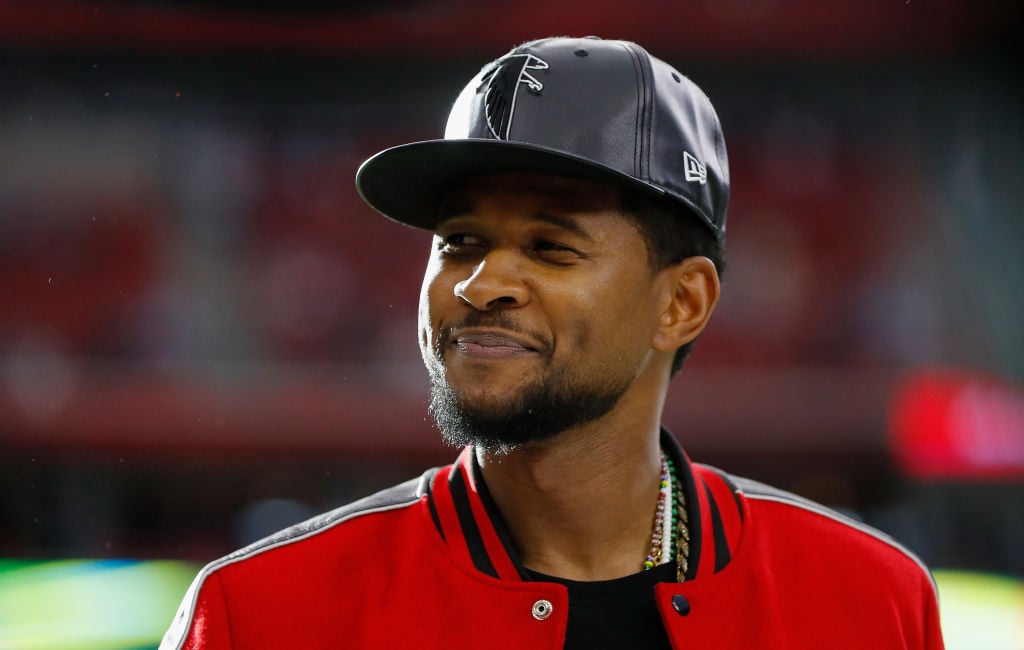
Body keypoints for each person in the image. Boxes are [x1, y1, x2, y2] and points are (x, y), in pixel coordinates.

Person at [162, 36, 944, 649]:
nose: (479, 285)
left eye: (551, 247)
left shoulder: (872, 599)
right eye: (460, 241)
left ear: (682, 303)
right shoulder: (257, 614)